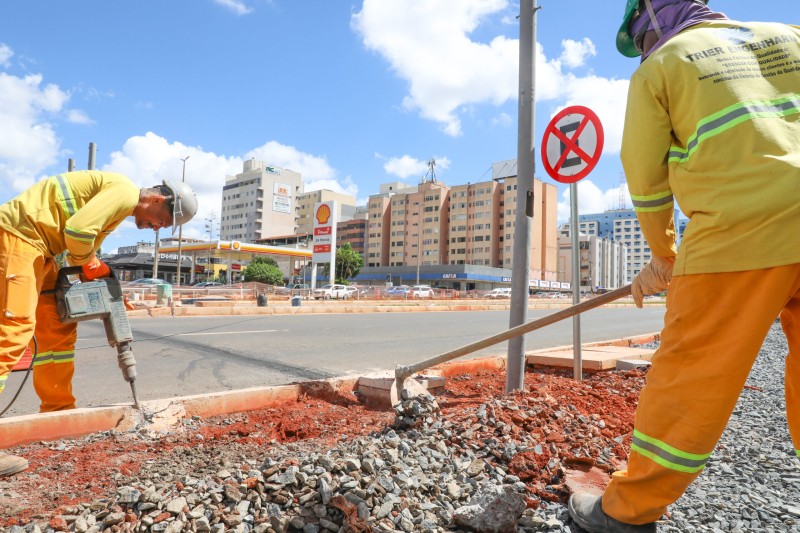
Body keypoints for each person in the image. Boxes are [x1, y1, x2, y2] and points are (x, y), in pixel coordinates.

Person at [568, 1, 800, 531]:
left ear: (650, 22)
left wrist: (664, 257)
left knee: (689, 378)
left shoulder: (663, 65)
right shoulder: (790, 33)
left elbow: (647, 182)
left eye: (638, 40)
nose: (642, 51)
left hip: (738, 236)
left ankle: (628, 512)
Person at [0, 170, 198, 477]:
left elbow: (78, 243)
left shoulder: (119, 207)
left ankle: (58, 414)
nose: (157, 228)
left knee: (58, 329)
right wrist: (92, 265)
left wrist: (95, 270)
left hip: (45, 251)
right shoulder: (125, 191)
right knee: (15, 331)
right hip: (20, 238)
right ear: (159, 199)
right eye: (163, 220)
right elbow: (79, 233)